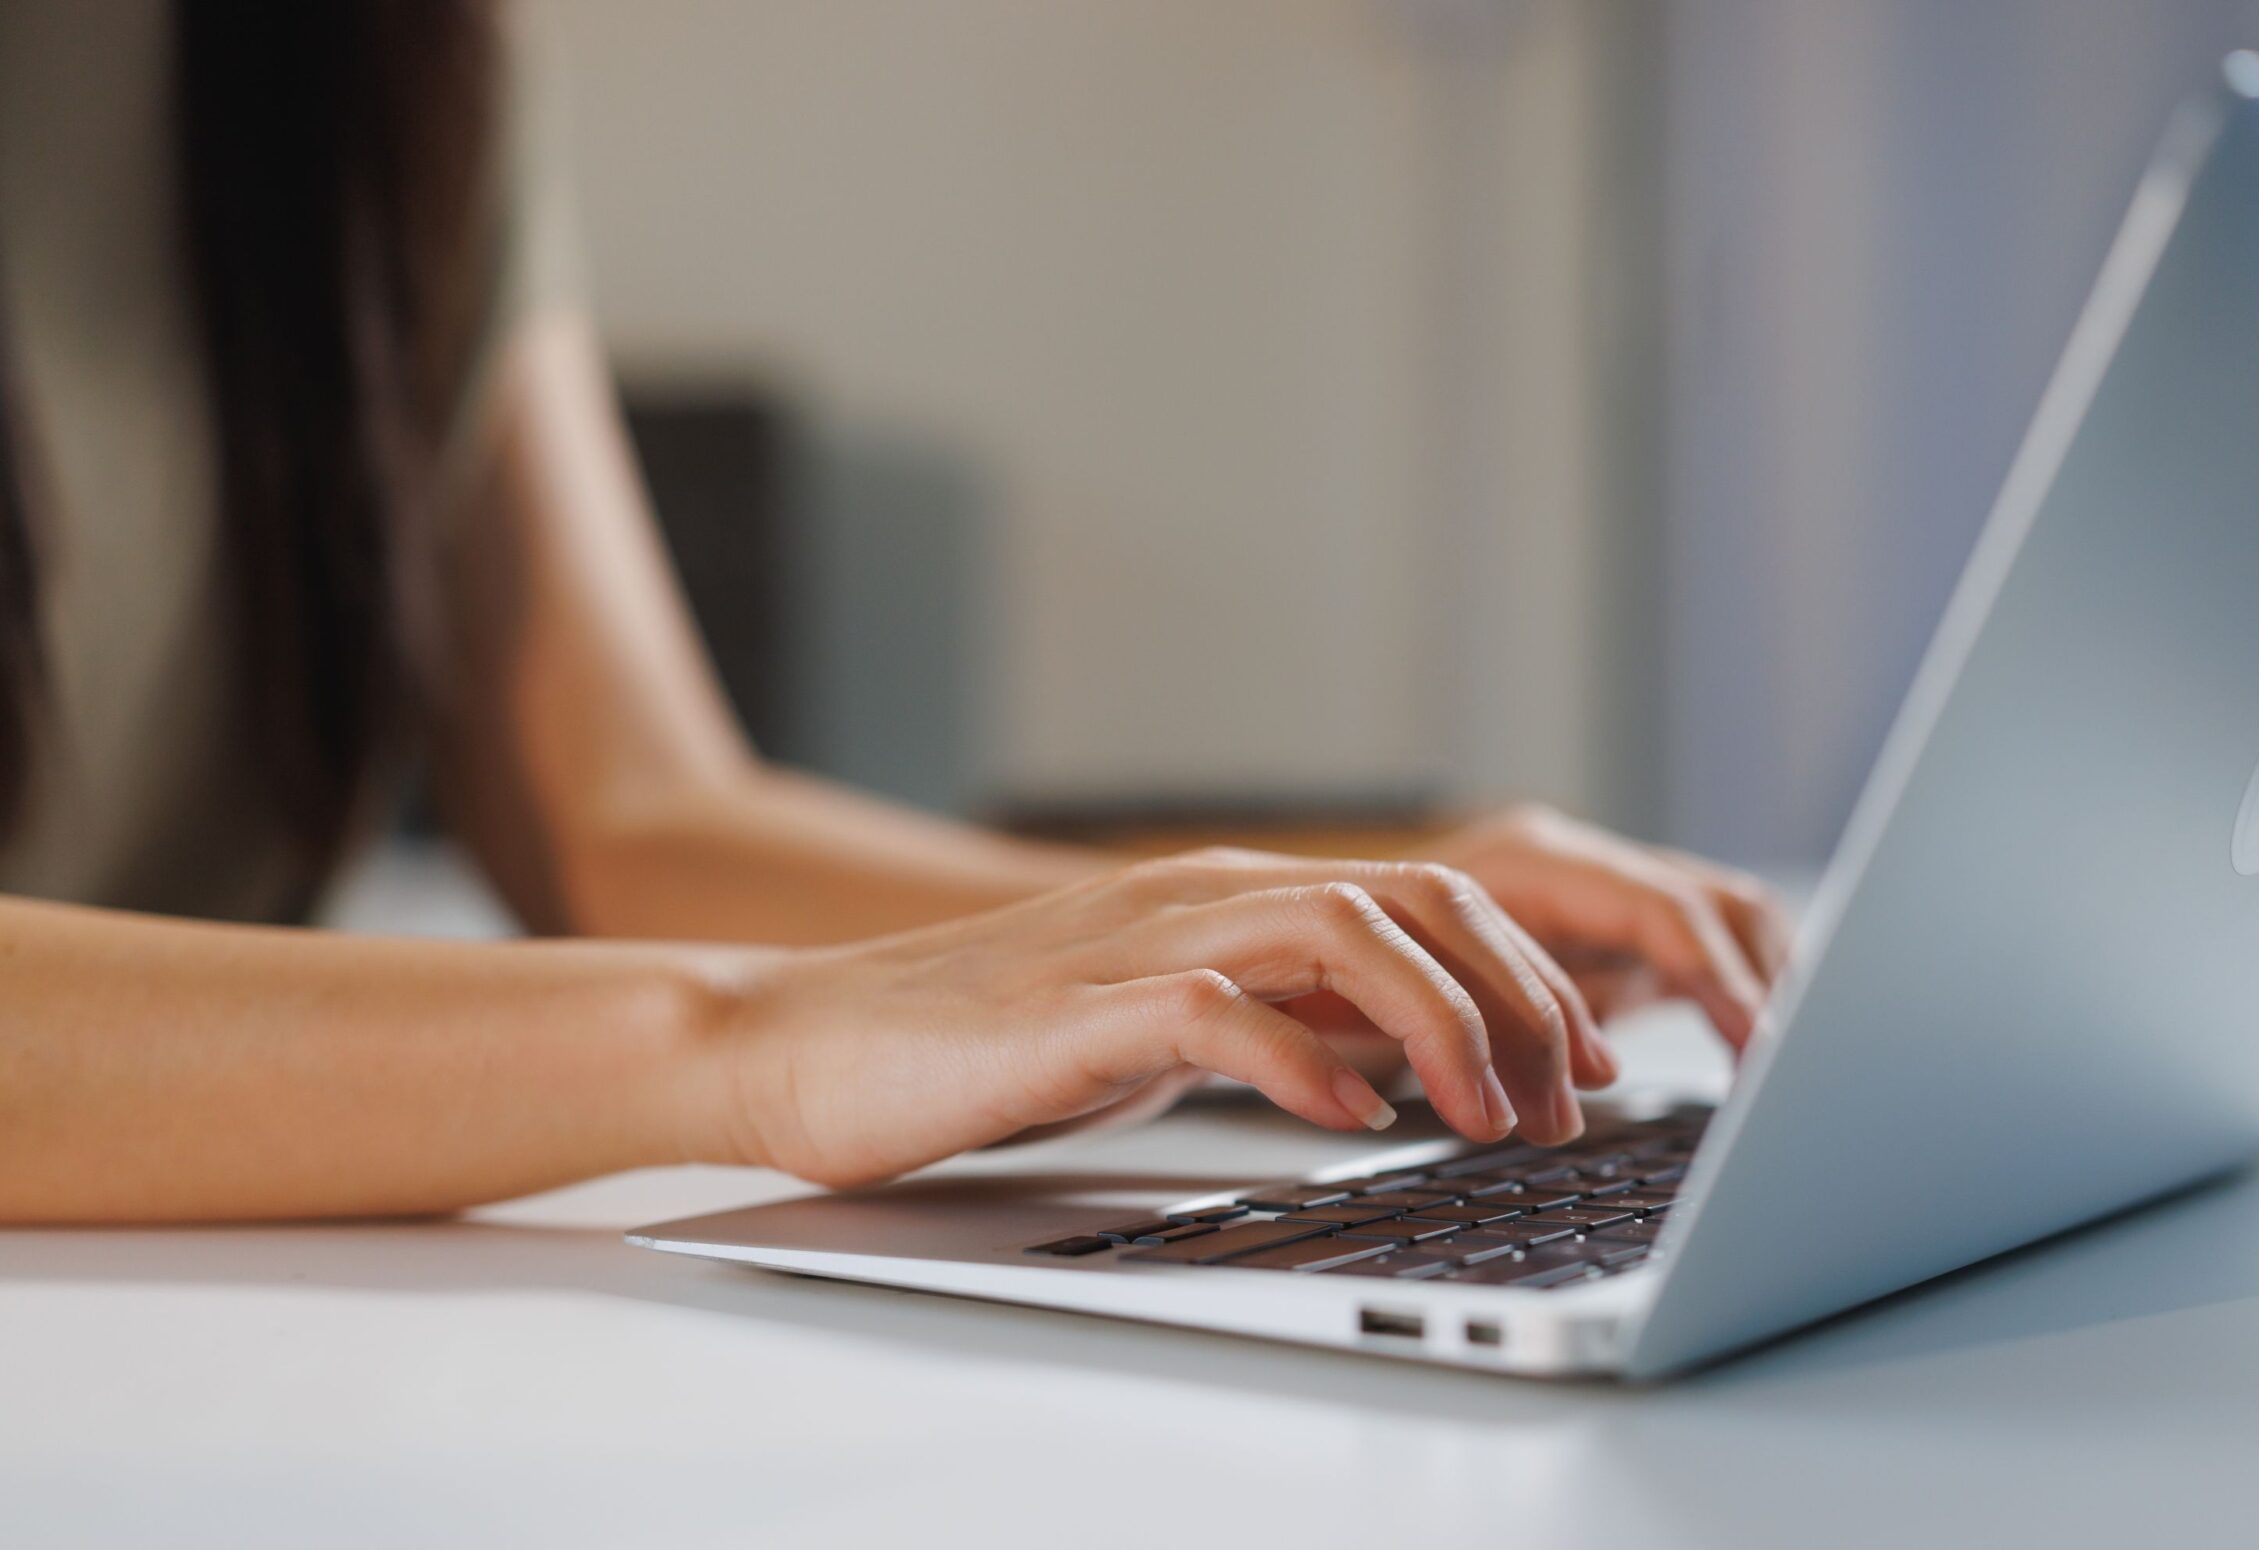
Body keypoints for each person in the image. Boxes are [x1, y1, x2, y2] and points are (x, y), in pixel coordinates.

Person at [0, 0, 1785, 1224]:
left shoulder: (383, 54)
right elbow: (705, 968)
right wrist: (747, 1041)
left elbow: (627, 819)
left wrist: (1285, 917)